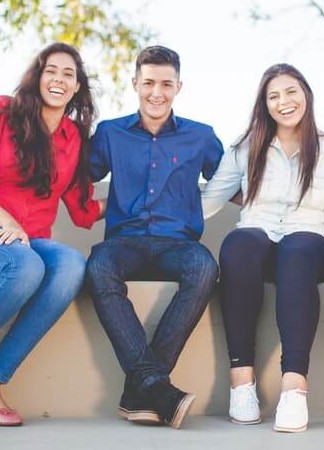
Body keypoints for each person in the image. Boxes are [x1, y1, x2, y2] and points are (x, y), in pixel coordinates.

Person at [201, 63, 324, 433]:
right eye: (273, 96)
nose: (283, 102)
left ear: (306, 94)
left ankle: (294, 387)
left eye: (291, 91)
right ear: (265, 105)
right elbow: (207, 202)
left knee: (296, 250)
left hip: (310, 242)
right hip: (257, 239)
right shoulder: (245, 149)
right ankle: (242, 382)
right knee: (239, 244)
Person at [85, 45, 223, 430]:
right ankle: (157, 387)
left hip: (178, 245)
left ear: (179, 86)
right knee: (98, 267)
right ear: (135, 83)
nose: (156, 93)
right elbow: (75, 177)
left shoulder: (201, 136)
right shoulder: (110, 133)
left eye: (166, 83)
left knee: (204, 267)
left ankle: (142, 389)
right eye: (148, 83)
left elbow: (235, 180)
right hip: (123, 242)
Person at [0, 42, 105, 426]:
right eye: (52, 71)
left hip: (30, 240)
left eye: (68, 75)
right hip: (4, 235)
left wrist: (143, 195)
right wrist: (3, 219)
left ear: (77, 87)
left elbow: (83, 210)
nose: (58, 80)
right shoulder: (4, 112)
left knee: (71, 266)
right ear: (37, 75)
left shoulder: (74, 137)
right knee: (27, 268)